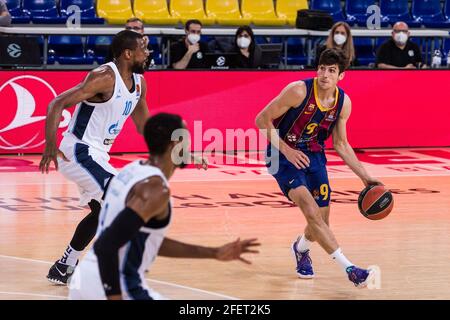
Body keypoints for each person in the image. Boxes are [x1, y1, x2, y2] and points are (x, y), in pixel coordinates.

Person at [68, 113, 260, 300]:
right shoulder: (155, 189)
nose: (190, 144)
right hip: (113, 284)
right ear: (175, 145)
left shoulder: (132, 171)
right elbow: (105, 245)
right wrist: (114, 295)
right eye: (187, 138)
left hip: (86, 280)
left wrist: (214, 252)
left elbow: (145, 240)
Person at [255, 48, 382, 288]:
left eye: (331, 71)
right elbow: (261, 120)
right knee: (311, 211)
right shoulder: (298, 91)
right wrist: (287, 151)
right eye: (322, 68)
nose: (325, 74)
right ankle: (351, 270)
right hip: (281, 155)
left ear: (341, 76)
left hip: (313, 155)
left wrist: (366, 178)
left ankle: (301, 248)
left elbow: (341, 144)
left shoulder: (343, 103)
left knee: (322, 221)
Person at [39, 30, 151, 285]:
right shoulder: (103, 77)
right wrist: (50, 145)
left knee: (101, 211)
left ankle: (63, 266)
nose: (147, 54)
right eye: (143, 49)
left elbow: (145, 126)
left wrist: (175, 148)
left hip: (98, 155)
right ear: (128, 53)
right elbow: (56, 103)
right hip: (78, 151)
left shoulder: (140, 83)